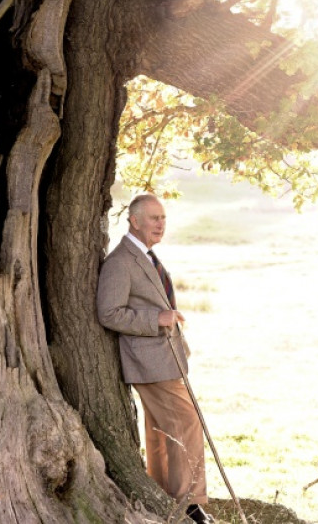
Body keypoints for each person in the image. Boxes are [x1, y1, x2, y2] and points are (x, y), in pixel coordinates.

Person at [96, 194, 213, 524]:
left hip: (166, 358)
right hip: (148, 362)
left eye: (163, 218)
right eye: (153, 218)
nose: (161, 224)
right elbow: (108, 313)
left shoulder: (146, 256)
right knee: (187, 422)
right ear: (134, 221)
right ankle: (189, 505)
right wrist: (156, 319)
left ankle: (162, 493)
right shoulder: (121, 262)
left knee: (161, 431)